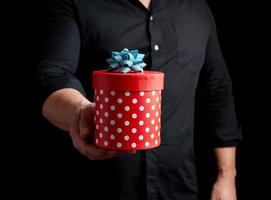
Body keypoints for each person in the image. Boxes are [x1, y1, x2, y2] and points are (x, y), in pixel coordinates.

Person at [36, 0, 242, 199]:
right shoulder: (74, 3)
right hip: (98, 184)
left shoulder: (196, 7)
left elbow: (217, 89)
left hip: (178, 186)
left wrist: (226, 176)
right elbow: (53, 76)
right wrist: (80, 114)